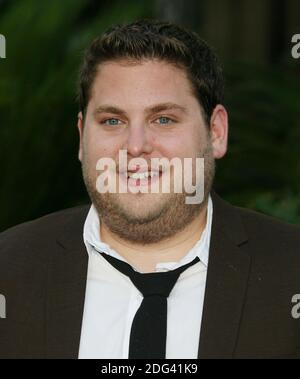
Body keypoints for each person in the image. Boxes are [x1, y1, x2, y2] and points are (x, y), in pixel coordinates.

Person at [0, 19, 299, 359]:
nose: (136, 145)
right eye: (113, 121)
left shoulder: (291, 273)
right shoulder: (9, 270)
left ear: (216, 132)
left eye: (164, 119)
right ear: (82, 137)